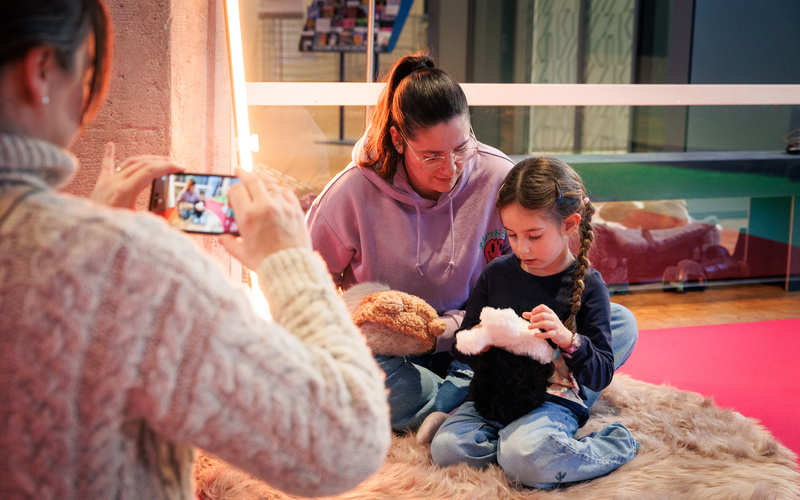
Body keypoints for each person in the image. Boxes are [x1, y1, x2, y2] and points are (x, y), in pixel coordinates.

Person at [0, 1, 390, 499]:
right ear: (41, 71)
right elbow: (346, 440)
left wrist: (93, 230)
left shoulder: (105, 258)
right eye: (89, 72)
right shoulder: (129, 266)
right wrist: (288, 261)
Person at [305, 52, 638, 433]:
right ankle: (511, 408)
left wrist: (524, 327)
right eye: (431, 156)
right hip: (404, 359)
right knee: (344, 376)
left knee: (619, 322)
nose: (451, 168)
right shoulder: (351, 192)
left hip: (491, 348)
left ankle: (492, 410)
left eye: (461, 148)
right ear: (398, 140)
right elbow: (303, 284)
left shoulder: (498, 175)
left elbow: (540, 264)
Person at [429, 157, 639, 488]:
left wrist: (568, 340)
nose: (521, 247)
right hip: (492, 395)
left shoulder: (590, 286)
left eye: (534, 235)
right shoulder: (497, 273)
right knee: (447, 450)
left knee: (525, 461)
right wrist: (483, 338)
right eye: (511, 234)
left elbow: (600, 372)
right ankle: (517, 444)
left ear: (569, 225)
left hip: (550, 399)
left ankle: (613, 443)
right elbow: (462, 349)